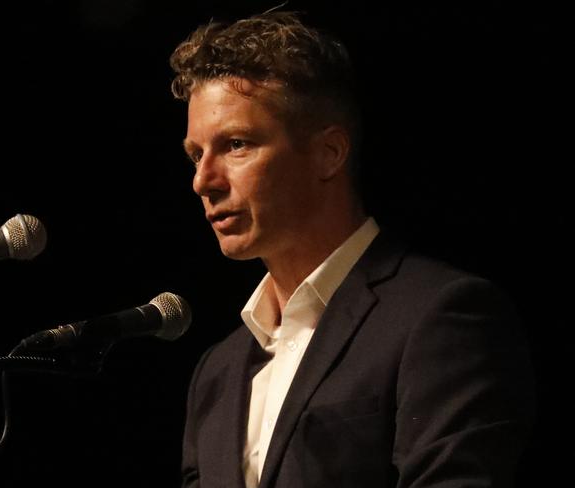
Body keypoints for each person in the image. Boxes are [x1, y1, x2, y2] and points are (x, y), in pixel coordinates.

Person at [169, 10, 536, 488]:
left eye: (237, 144)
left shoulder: (441, 316)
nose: (203, 180)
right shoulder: (217, 372)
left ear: (329, 153)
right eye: (196, 155)